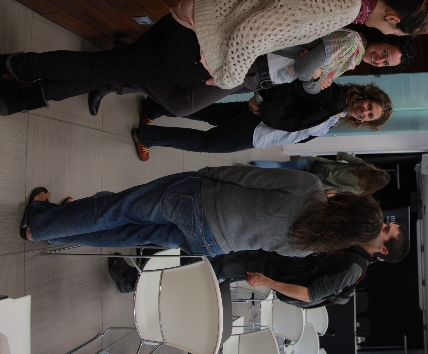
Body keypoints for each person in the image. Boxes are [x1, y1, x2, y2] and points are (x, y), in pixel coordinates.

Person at [0, 0, 428, 112]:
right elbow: (255, 33)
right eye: (395, 34)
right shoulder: (347, 6)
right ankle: (16, 67)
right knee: (103, 67)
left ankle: (26, 94)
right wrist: (229, 78)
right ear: (394, 20)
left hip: (203, 19)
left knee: (111, 69)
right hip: (202, 44)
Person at [13, 27, 414, 118]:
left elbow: (309, 78)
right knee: (181, 104)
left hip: (257, 76)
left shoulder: (351, 59)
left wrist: (314, 81)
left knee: (170, 89)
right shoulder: (352, 44)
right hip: (252, 66)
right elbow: (307, 70)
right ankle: (122, 63)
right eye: (385, 52)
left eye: (385, 63)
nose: (380, 59)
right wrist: (315, 81)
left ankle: (116, 74)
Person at [20, 166, 403, 260]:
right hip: (210, 243)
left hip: (201, 201)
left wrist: (204, 174)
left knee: (117, 209)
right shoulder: (312, 246)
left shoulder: (309, 187)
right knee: (130, 233)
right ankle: (58, 232)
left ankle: (40, 223)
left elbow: (245, 176)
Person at [130, 82, 392, 161]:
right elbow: (296, 86)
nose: (364, 112)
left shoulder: (338, 115)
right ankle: (147, 136)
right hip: (259, 126)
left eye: (369, 116)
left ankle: (154, 107)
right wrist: (261, 96)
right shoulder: (336, 97)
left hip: (262, 120)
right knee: (206, 143)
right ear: (366, 96)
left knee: (208, 113)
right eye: (369, 106)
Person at [107, 241, 409, 308]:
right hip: (268, 254)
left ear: (383, 249)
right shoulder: (353, 245)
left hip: (265, 268)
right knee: (205, 259)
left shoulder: (354, 269)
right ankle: (149, 266)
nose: (380, 225)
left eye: (385, 229)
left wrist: (268, 282)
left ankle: (135, 283)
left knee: (205, 270)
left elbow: (309, 294)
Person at [252, 152, 390, 196]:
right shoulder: (359, 189)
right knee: (285, 179)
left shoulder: (362, 165)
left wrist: (338, 162)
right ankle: (258, 177)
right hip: (314, 180)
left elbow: (342, 155)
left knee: (282, 166)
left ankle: (255, 164)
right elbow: (336, 190)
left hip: (316, 164)